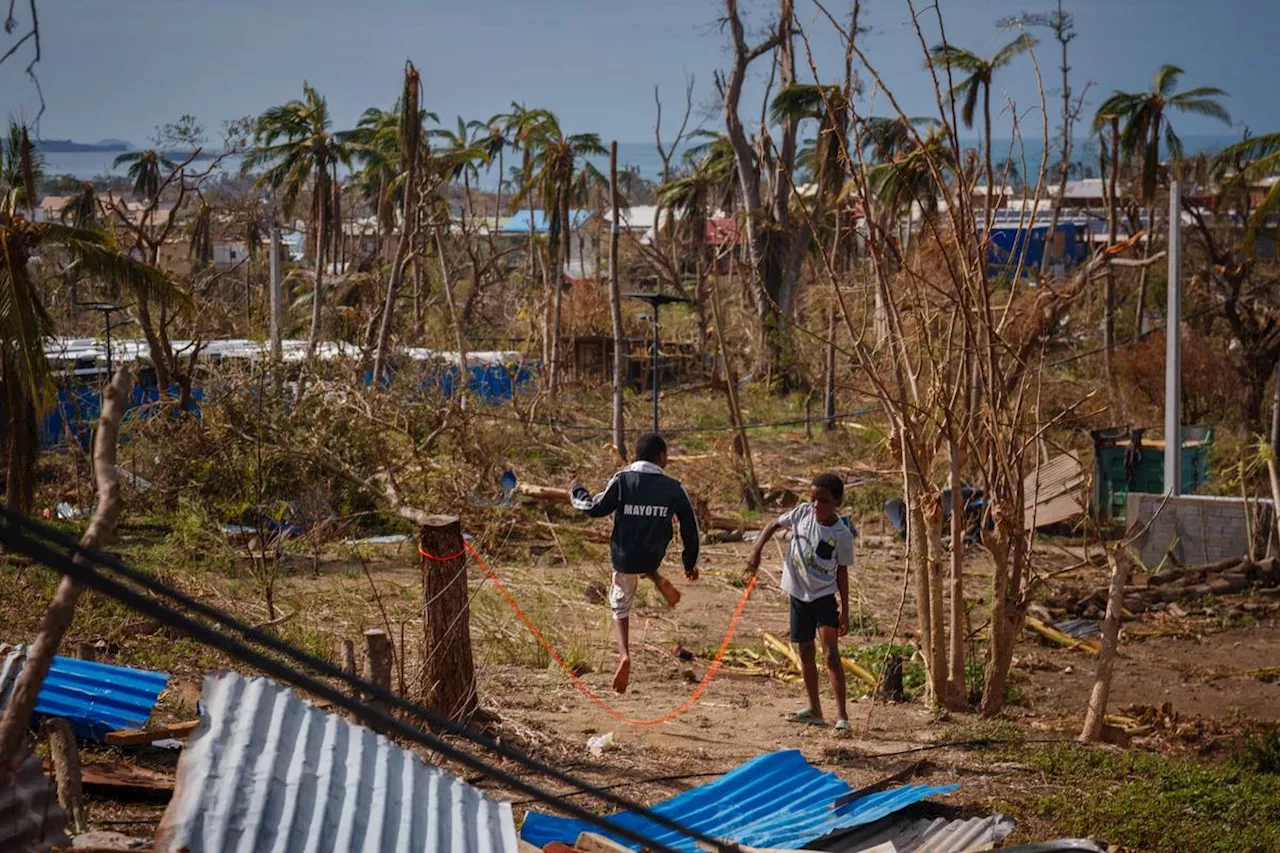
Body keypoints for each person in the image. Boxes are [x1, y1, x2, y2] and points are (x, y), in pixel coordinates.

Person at [570, 433, 700, 694]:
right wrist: (690, 563)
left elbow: (594, 507)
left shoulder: (623, 479)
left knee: (620, 604)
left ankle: (624, 655)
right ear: (662, 457)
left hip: (624, 557)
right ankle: (657, 577)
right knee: (648, 551)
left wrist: (576, 491)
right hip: (653, 555)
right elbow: (690, 527)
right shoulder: (674, 487)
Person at [745, 472, 854, 729]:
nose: (817, 505)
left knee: (830, 654)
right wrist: (755, 551)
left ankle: (842, 716)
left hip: (824, 597)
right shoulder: (802, 513)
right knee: (805, 651)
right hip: (798, 596)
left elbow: (842, 572)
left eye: (824, 501)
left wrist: (845, 611)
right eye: (814, 499)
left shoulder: (841, 534)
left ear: (836, 501)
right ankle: (815, 709)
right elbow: (773, 525)